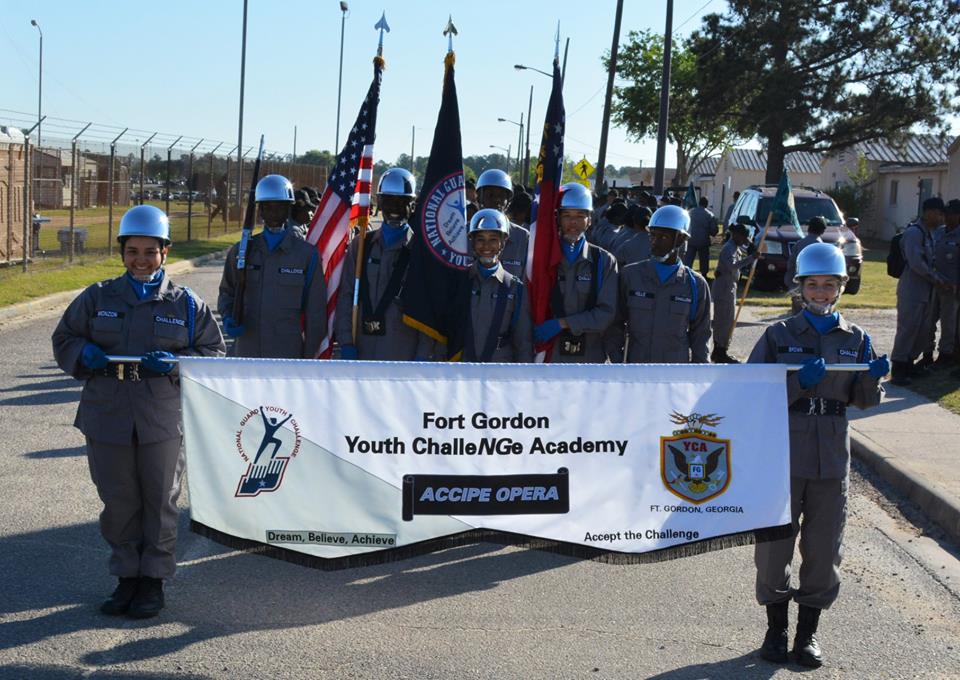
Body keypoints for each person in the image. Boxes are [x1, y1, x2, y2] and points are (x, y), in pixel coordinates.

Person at [51, 205, 225, 619]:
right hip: (107, 413)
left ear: (165, 252)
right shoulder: (97, 297)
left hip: (161, 416)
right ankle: (126, 576)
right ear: (122, 252)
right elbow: (65, 337)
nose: (141, 260)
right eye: (132, 251)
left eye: (150, 251)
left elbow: (214, 353)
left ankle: (153, 581)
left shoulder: (185, 304)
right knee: (118, 500)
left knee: (161, 500)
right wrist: (83, 352)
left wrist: (178, 363)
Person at [749, 242, 887, 668]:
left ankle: (807, 635)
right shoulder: (778, 335)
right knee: (775, 550)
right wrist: (797, 385)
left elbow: (863, 400)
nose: (821, 293)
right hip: (784, 457)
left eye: (830, 285)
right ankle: (776, 631)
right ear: (800, 288)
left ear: (841, 288)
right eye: (814, 285)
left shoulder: (856, 338)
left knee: (825, 551)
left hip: (831, 460)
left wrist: (875, 381)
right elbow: (750, 395)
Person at [217, 174, 327, 358]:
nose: (274, 212)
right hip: (245, 351)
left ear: (289, 209)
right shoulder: (241, 252)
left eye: (280, 207)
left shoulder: (307, 255)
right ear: (260, 210)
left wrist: (309, 355)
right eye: (268, 207)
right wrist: (229, 317)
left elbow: (315, 311)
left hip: (287, 354)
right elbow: (227, 292)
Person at [335, 167, 435, 360]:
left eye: (402, 202)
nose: (395, 208)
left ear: (413, 206)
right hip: (362, 348)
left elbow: (428, 309)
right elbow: (346, 296)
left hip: (402, 352)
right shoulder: (362, 245)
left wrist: (422, 356)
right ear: (379, 202)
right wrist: (346, 342)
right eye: (388, 201)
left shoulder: (421, 251)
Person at [611, 204, 712, 363]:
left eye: (663, 237)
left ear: (680, 239)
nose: (654, 243)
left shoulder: (695, 285)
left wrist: (698, 377)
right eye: (652, 235)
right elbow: (615, 324)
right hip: (636, 373)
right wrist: (617, 362)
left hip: (674, 376)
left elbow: (701, 334)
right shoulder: (630, 276)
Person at [532, 183, 618, 363]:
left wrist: (562, 323)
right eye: (567, 216)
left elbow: (606, 315)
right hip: (550, 355)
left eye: (580, 216)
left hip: (589, 358)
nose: (573, 222)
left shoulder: (604, 261)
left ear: (590, 219)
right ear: (557, 218)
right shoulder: (542, 259)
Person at [890, 197, 950, 385]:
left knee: (922, 330)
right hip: (912, 289)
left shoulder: (930, 233)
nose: (942, 219)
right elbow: (917, 263)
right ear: (929, 212)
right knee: (908, 328)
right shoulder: (914, 233)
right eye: (940, 214)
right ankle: (898, 369)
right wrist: (937, 279)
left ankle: (909, 365)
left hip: (926, 290)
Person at [463, 208, 533, 362]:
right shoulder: (460, 281)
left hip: (499, 367)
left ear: (503, 243)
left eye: (493, 239)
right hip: (462, 366)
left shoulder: (515, 288)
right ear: (472, 243)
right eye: (480, 239)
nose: (486, 246)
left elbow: (523, 341)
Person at [711, 219, 760, 363]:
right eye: (744, 238)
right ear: (736, 235)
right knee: (723, 321)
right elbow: (732, 266)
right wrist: (751, 259)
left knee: (728, 321)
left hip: (729, 286)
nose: (745, 241)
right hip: (723, 288)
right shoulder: (728, 248)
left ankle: (722, 349)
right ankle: (719, 351)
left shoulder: (735, 248)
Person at [475, 169, 529, 279]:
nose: (496, 200)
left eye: (501, 196)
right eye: (490, 195)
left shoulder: (523, 237)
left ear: (508, 200)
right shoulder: (463, 233)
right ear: (480, 198)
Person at [932, 199, 960, 365]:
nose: (945, 217)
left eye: (949, 214)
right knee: (928, 321)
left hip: (952, 287)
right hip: (934, 284)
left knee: (949, 323)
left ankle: (946, 354)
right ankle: (928, 352)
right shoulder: (939, 232)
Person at [785, 216, 827, 313]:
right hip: (815, 288)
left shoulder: (799, 244)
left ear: (809, 228)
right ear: (823, 230)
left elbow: (791, 264)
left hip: (798, 284)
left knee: (797, 317)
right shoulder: (821, 247)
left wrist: (790, 283)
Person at [683, 196, 719, 279]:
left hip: (690, 239)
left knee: (689, 258)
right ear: (706, 204)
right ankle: (704, 274)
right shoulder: (709, 215)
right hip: (703, 241)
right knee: (704, 258)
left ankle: (686, 273)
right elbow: (714, 231)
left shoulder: (690, 212)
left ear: (699, 203)